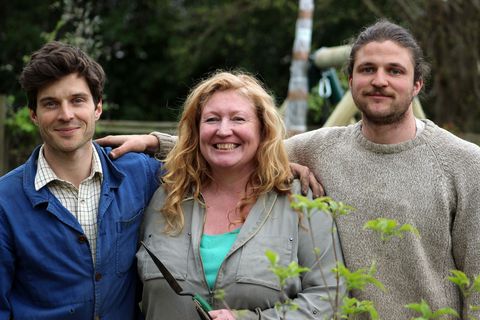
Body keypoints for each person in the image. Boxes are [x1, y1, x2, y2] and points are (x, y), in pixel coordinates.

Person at [99, 20, 480, 318]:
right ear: (351, 80)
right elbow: (235, 150)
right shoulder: (317, 148)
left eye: (394, 70)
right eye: (368, 69)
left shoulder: (464, 165)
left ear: (417, 84)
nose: (379, 80)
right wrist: (155, 143)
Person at [136, 71, 345, 319]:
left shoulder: (301, 202)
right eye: (212, 119)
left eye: (238, 119)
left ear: (262, 130)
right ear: (196, 130)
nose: (224, 131)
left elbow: (330, 299)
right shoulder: (165, 198)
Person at [0, 42, 161, 319]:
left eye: (77, 100)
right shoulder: (5, 200)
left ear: (97, 107)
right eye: (51, 103)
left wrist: (156, 141)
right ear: (34, 115)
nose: (66, 115)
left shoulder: (139, 173)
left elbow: (214, 156)